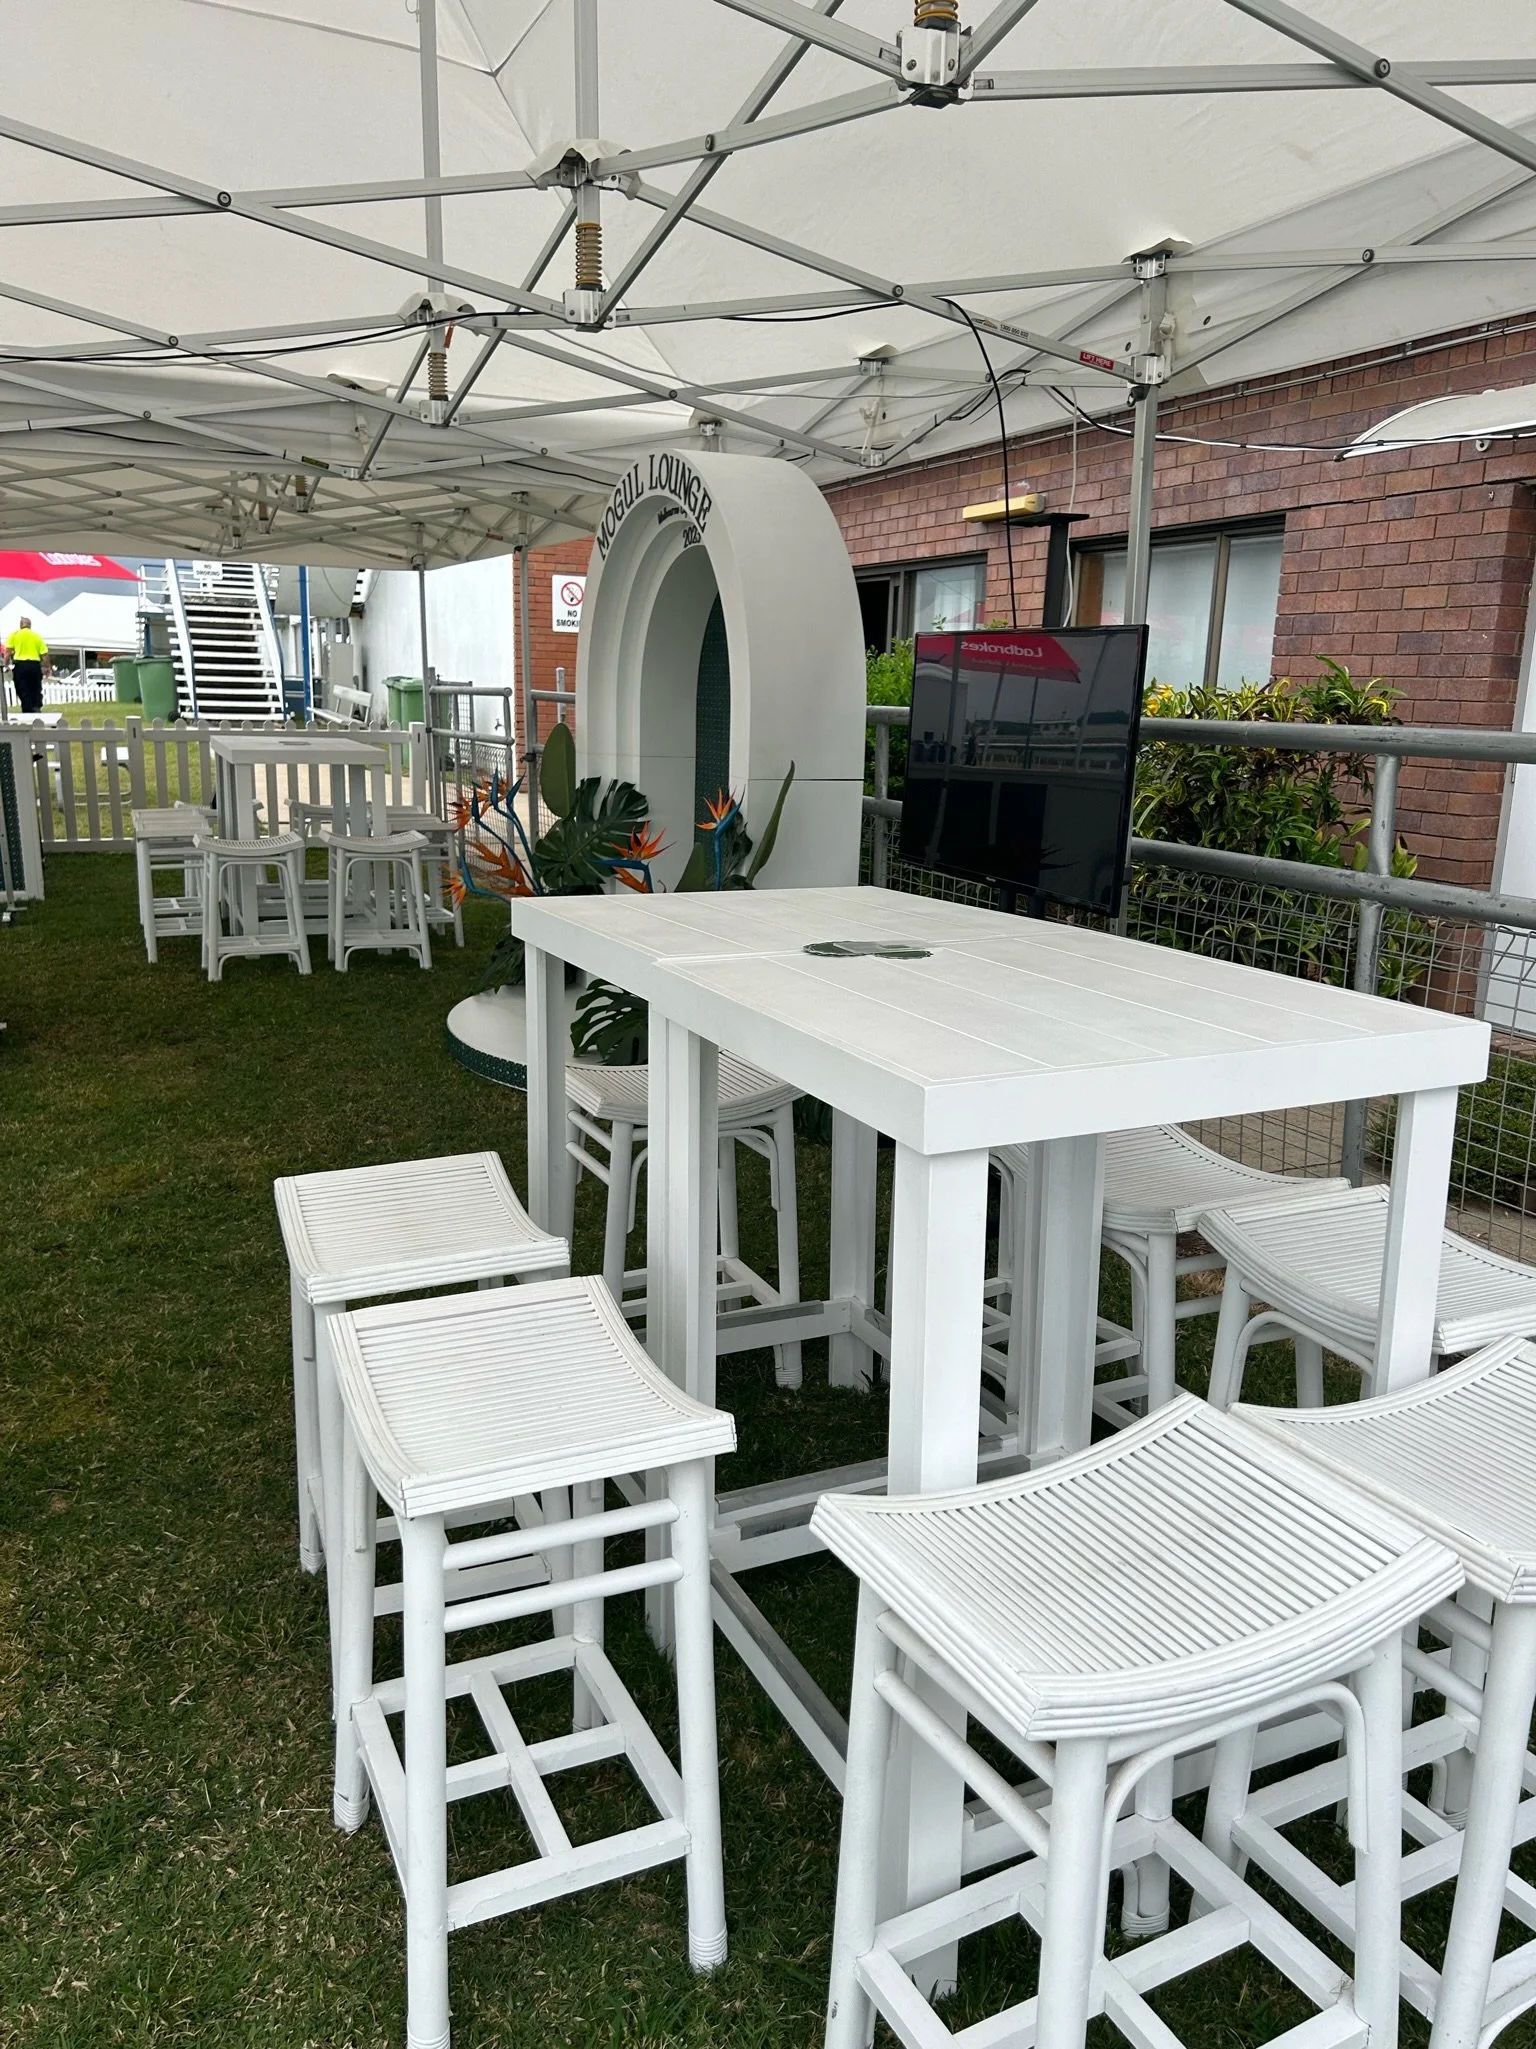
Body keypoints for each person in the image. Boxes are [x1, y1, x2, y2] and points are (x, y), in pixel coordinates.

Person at [6, 617, 49, 715]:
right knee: (35, 687)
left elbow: (8, 652)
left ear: (20, 625)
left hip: (20, 665)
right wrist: (47, 667)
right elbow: (44, 654)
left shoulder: (14, 635)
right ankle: (36, 705)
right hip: (34, 665)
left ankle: (27, 707)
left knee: (22, 688)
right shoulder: (37, 636)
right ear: (30, 625)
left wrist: (6, 664)